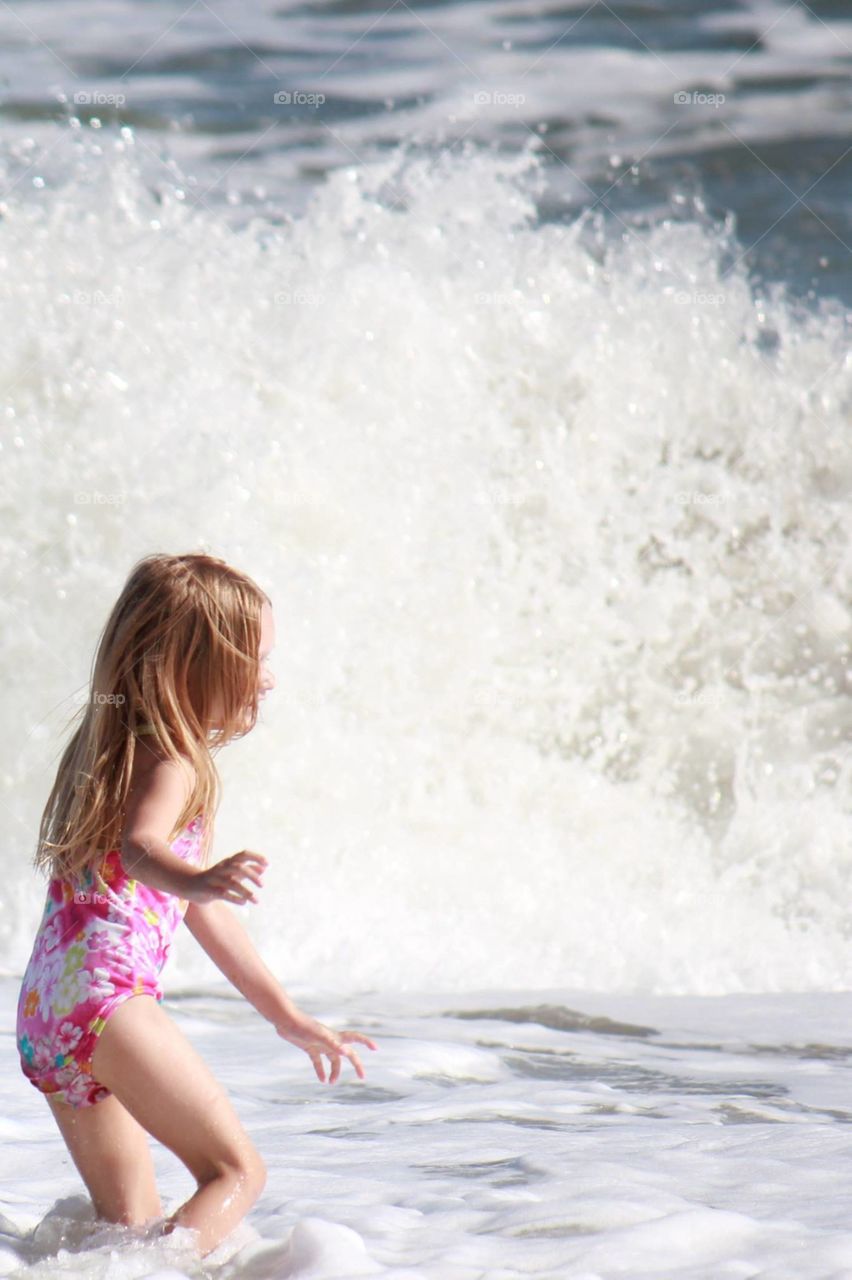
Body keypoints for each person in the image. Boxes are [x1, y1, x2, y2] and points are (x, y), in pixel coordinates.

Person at [15, 551, 378, 1258]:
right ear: (197, 664)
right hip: (110, 1004)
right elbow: (140, 847)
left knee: (128, 1228)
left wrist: (285, 1015)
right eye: (256, 658)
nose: (268, 677)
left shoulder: (107, 750)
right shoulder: (174, 761)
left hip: (47, 1012)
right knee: (237, 1172)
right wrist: (198, 878)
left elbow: (200, 912)